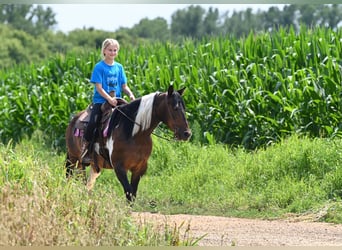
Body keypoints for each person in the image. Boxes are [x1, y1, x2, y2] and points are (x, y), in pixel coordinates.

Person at [81, 38, 135, 163]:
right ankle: (86, 149)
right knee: (93, 122)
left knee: (131, 120)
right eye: (110, 50)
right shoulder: (99, 67)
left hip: (117, 101)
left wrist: (131, 95)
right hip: (101, 101)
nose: (112, 52)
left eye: (115, 50)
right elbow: (98, 88)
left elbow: (124, 86)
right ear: (104, 51)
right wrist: (109, 99)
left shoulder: (119, 67)